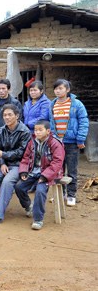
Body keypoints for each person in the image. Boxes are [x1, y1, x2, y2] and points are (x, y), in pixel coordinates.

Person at [15, 120, 65, 230]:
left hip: (50, 174)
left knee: (40, 191)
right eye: (35, 130)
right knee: (19, 187)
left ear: (48, 131)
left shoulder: (55, 143)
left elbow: (57, 162)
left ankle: (38, 219)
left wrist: (45, 176)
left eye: (40, 130)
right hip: (34, 172)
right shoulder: (32, 142)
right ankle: (28, 206)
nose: (37, 132)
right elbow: (26, 158)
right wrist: (23, 171)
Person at [49, 78, 89, 207]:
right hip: (56, 143)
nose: (58, 91)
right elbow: (50, 122)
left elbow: (83, 121)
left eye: (60, 88)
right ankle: (61, 194)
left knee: (71, 170)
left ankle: (71, 195)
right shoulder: (52, 104)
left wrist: (80, 139)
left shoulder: (76, 104)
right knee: (58, 169)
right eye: (56, 88)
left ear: (67, 89)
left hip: (71, 143)